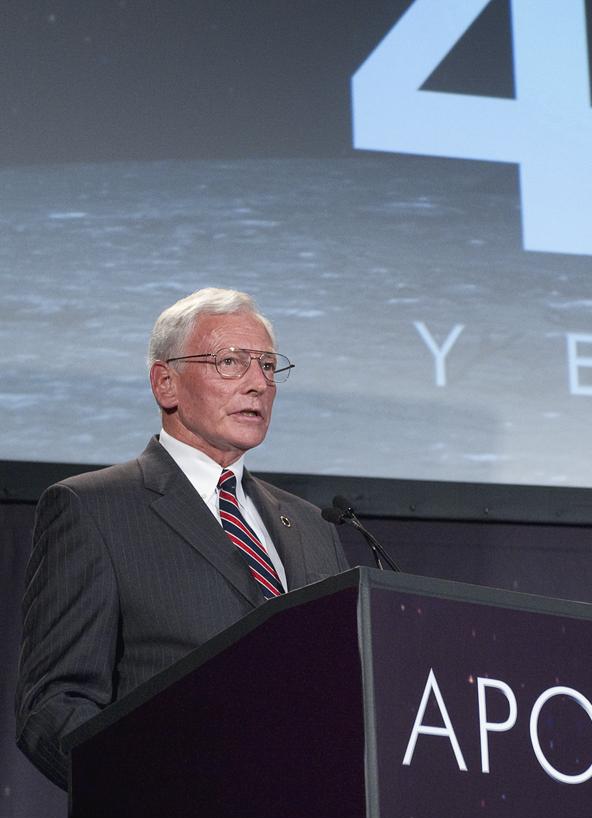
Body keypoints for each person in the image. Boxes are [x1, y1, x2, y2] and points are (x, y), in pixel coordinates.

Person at [15, 287, 348, 789]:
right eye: (231, 362)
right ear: (165, 383)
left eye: (267, 365)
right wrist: (158, 799)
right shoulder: (94, 509)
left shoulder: (313, 526)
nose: (258, 383)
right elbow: (54, 708)